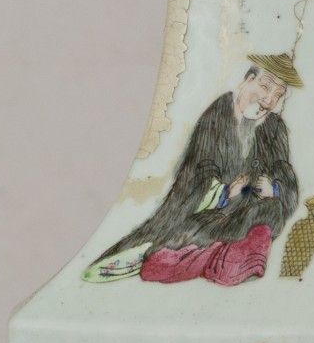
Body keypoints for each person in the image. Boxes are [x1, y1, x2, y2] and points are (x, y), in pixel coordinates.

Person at [87, 56, 301, 285]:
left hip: (249, 212)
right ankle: (205, 258)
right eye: (265, 87)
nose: (269, 100)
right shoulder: (218, 114)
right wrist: (225, 193)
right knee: (176, 246)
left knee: (270, 211)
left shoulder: (274, 127)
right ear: (248, 80)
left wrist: (274, 189)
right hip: (210, 214)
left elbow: (284, 172)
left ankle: (226, 260)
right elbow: (197, 174)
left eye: (278, 95)